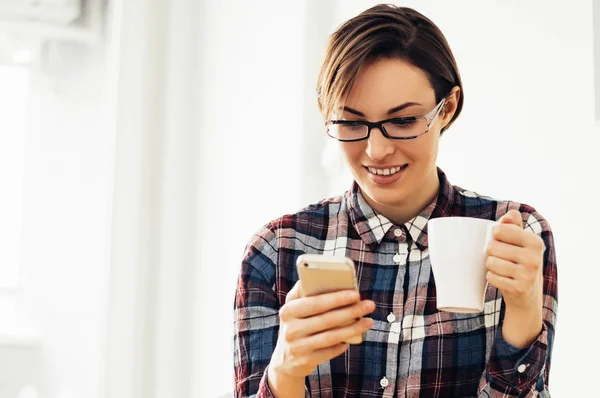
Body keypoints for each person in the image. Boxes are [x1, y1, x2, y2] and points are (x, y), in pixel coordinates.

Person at [233, 4, 557, 397]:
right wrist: (285, 371)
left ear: (447, 108)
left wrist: (523, 313)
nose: (377, 149)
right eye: (352, 123)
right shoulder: (276, 250)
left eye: (402, 121)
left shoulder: (515, 236)